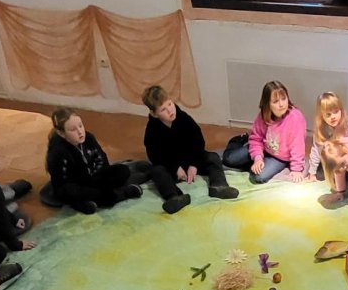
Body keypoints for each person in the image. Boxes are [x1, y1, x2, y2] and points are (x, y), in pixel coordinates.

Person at [142, 84, 239, 214]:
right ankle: (174, 197)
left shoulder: (183, 118)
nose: (170, 110)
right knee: (156, 171)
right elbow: (155, 155)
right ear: (154, 114)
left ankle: (218, 186)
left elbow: (198, 141)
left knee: (213, 157)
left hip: (190, 158)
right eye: (163, 109)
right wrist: (175, 168)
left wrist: (194, 164)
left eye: (170, 104)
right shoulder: (152, 130)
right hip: (171, 164)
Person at [44, 107, 144, 213]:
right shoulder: (58, 152)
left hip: (93, 178)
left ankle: (95, 198)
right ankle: (121, 194)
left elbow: (102, 159)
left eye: (80, 126)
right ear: (61, 133)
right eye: (73, 130)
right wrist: (91, 185)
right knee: (74, 192)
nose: (80, 132)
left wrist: (98, 175)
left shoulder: (89, 138)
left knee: (123, 170)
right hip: (77, 185)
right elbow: (62, 183)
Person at [222, 80, 308, 184]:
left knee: (259, 177)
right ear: (268, 104)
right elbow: (256, 139)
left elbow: (298, 146)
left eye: (284, 99)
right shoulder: (263, 116)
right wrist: (258, 158)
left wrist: (296, 169)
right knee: (228, 160)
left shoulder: (295, 118)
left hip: (279, 157)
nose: (281, 104)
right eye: (275, 102)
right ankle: (238, 140)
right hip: (264, 149)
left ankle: (255, 160)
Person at [308, 91, 348, 183]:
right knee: (321, 175)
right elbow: (316, 150)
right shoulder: (321, 129)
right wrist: (312, 173)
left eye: (336, 112)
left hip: (345, 159)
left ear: (341, 110)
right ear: (322, 116)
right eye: (328, 114)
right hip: (330, 160)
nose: (333, 117)